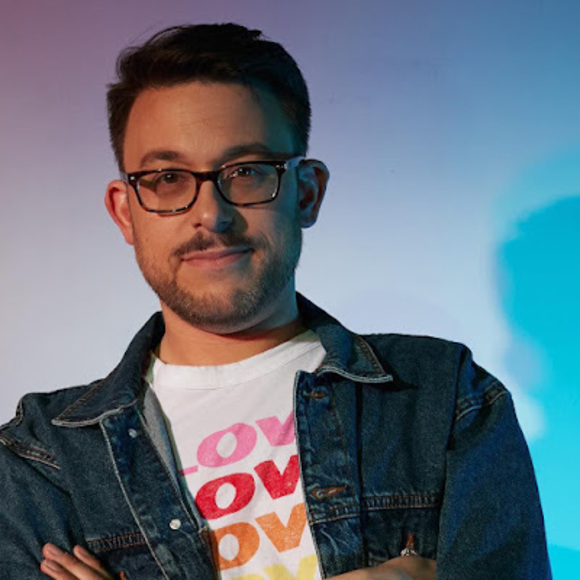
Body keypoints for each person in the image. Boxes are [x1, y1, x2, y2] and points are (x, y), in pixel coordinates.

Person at [0, 23, 550, 580]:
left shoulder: (441, 397)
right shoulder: (44, 458)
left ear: (306, 193)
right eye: (167, 178)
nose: (210, 215)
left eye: (246, 172)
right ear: (125, 211)